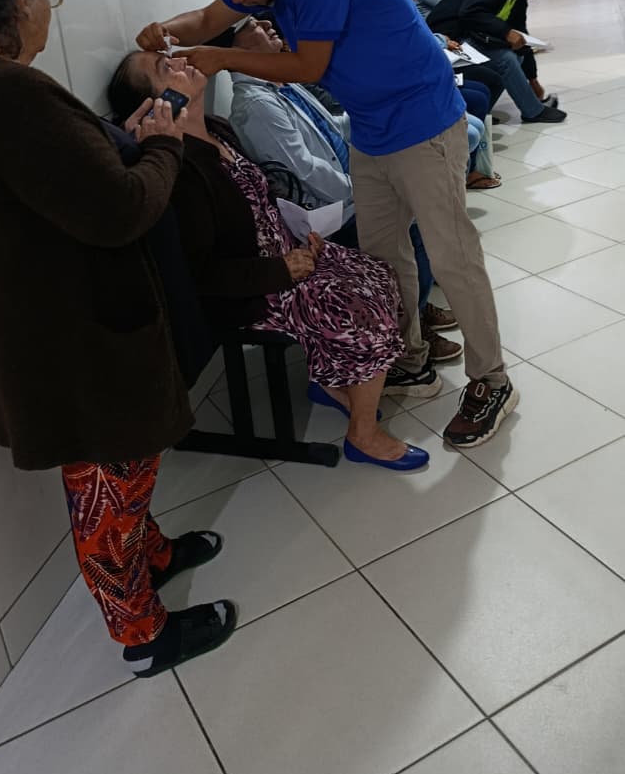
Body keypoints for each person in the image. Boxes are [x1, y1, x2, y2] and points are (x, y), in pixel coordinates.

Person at [0, 0, 236, 680]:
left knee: (125, 475)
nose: (50, 9)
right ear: (16, 2)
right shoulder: (6, 95)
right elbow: (119, 210)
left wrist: (123, 141)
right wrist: (163, 144)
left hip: (54, 324)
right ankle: (142, 634)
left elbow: (61, 183)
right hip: (73, 340)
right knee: (106, 485)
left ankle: (152, 557)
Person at [136, 0, 519, 448]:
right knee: (383, 256)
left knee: (452, 252)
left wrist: (222, 57)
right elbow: (204, 18)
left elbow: (308, 67)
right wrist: (165, 31)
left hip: (422, 122)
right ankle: (409, 360)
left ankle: (492, 381)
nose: (237, 0)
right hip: (372, 130)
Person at [109, 47, 428, 471]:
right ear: (157, 104)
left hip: (284, 257)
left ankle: (331, 380)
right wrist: (281, 269)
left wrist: (300, 233)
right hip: (255, 288)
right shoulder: (179, 167)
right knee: (360, 305)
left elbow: (258, 202)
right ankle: (363, 435)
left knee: (377, 272)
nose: (183, 61)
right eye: (166, 67)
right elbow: (200, 274)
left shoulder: (216, 130)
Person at [224, 16, 463, 358]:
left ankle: (415, 311)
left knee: (416, 209)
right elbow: (305, 169)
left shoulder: (281, 81)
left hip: (349, 182)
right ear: (233, 50)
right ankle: (407, 339)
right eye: (252, 26)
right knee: (410, 230)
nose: (266, 23)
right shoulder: (256, 105)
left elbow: (332, 127)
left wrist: (380, 111)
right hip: (329, 212)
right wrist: (359, 190)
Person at [380, 0, 500, 189]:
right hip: (417, 88)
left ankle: (469, 169)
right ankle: (463, 173)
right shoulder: (393, 14)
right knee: (477, 97)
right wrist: (441, 43)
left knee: (483, 88)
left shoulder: (407, 6)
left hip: (431, 77)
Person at [427, 0, 568, 125]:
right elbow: (470, 12)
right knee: (505, 59)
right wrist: (506, 32)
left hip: (470, 34)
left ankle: (480, 112)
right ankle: (533, 112)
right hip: (448, 38)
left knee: (517, 55)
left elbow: (522, 36)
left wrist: (533, 79)